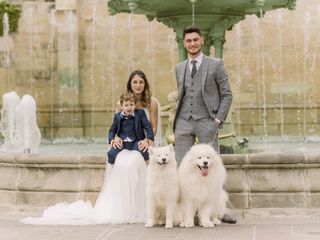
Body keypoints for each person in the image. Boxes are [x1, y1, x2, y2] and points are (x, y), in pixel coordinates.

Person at [21, 70, 161, 225]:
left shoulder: (151, 102)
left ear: (145, 83)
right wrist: (114, 139)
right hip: (125, 143)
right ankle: (123, 207)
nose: (138, 85)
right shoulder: (121, 103)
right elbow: (116, 126)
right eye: (134, 82)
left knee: (135, 161)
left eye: (141, 82)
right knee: (120, 161)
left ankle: (142, 206)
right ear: (130, 84)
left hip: (141, 142)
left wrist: (148, 140)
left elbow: (152, 127)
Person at [173, 25, 236, 224]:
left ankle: (218, 210)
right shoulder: (179, 67)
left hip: (208, 121)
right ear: (184, 43)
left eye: (195, 40)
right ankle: (183, 212)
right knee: (183, 169)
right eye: (188, 41)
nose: (192, 44)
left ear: (202, 41)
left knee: (212, 169)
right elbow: (184, 95)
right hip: (183, 121)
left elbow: (227, 94)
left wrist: (218, 119)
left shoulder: (216, 64)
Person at [107, 92, 154, 164]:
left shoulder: (140, 113)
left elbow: (148, 126)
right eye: (126, 105)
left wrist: (148, 139)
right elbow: (112, 130)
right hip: (122, 142)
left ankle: (144, 169)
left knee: (145, 152)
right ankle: (116, 171)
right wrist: (112, 139)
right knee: (111, 154)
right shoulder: (117, 116)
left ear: (135, 105)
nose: (129, 107)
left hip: (136, 141)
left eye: (131, 105)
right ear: (121, 107)